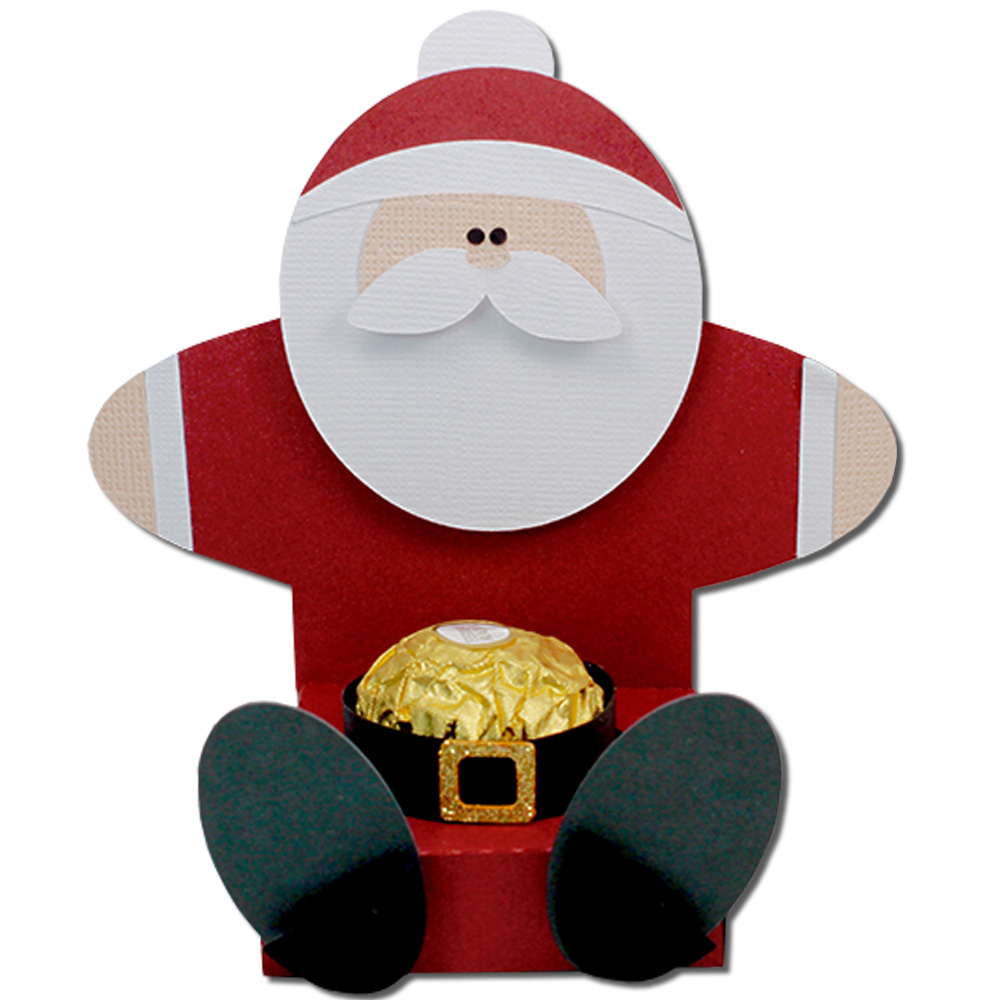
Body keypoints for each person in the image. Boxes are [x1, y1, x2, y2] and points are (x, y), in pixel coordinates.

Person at [89, 11, 895, 991]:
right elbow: (154, 443)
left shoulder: (689, 396)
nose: (485, 244)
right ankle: (339, 889)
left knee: (696, 747)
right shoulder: (286, 392)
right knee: (280, 760)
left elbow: (830, 454)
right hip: (368, 749)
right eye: (426, 228)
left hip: (607, 743)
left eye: (542, 231)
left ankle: (638, 880)